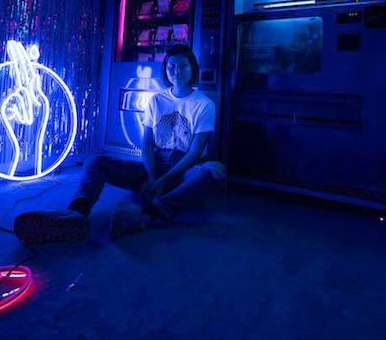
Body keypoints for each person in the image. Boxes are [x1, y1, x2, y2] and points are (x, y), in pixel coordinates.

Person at [14, 44, 227, 243]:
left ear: (192, 69)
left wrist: (165, 179)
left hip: (185, 170)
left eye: (183, 65)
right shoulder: (156, 100)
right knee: (94, 162)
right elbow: (147, 145)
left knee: (215, 171)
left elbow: (195, 152)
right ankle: (75, 213)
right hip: (155, 165)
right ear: (165, 69)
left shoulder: (204, 104)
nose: (177, 71)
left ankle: (145, 214)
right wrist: (152, 176)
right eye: (171, 66)